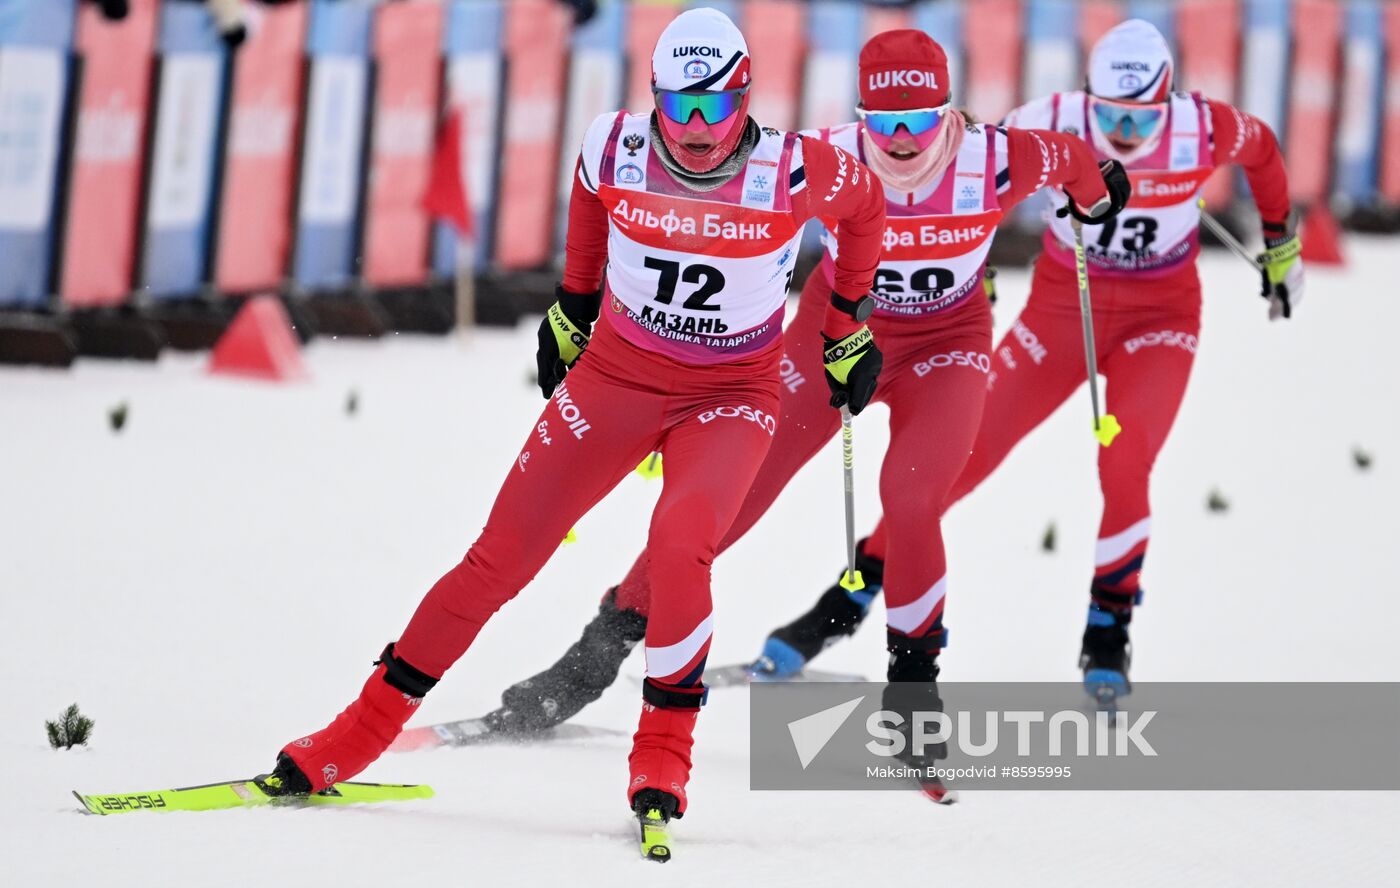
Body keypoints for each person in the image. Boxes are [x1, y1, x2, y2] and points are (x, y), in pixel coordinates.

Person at [258, 7, 889, 834]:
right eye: (678, 106)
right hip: (618, 378)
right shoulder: (614, 144)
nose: (695, 129)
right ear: (654, 97)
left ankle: (663, 752)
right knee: (500, 557)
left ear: (745, 96)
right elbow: (590, 197)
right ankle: (359, 732)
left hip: (731, 392)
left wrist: (846, 323)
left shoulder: (798, 170)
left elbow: (869, 209)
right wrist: (575, 301)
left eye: (714, 107)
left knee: (680, 545)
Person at [474, 28, 1127, 767]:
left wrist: (1102, 192)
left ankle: (915, 697)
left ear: (952, 114)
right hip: (831, 338)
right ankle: (594, 657)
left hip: (947, 345)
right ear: (859, 118)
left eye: (921, 122)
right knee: (727, 510)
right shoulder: (828, 156)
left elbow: (1077, 162)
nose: (903, 143)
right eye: (885, 125)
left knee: (915, 502)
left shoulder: (999, 156)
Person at [746, 19, 1304, 702]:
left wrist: (1280, 243)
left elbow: (1266, 152)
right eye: (1109, 113)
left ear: (1170, 101)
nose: (1124, 131)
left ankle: (1108, 630)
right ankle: (848, 601)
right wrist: (970, 270)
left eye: (1141, 117)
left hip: (1162, 316)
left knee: (1125, 460)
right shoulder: (1051, 121)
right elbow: (969, 169)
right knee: (956, 467)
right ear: (1085, 95)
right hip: (1061, 316)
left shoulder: (1204, 127)